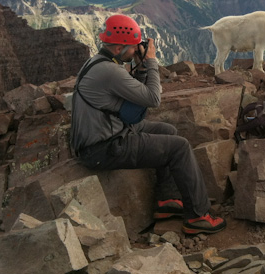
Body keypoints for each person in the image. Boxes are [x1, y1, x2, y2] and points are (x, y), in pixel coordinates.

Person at [70, 14, 226, 235]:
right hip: (104, 147)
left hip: (108, 133)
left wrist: (141, 67)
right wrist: (152, 62)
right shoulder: (110, 71)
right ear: (119, 48)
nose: (136, 51)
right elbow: (153, 98)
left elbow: (136, 96)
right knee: (179, 147)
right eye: (133, 47)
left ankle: (168, 201)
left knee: (167, 130)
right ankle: (199, 216)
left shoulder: (98, 63)